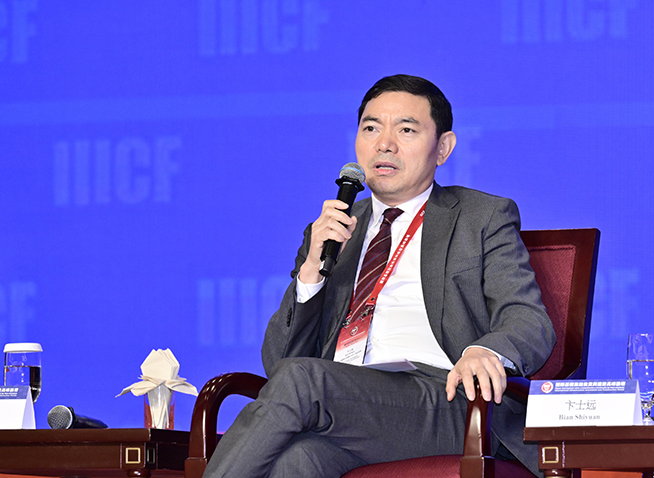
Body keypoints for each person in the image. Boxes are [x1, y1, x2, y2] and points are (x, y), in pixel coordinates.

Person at [203, 74, 556, 478]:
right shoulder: (335, 230)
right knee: (294, 462)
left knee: (301, 381)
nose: (384, 143)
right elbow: (278, 363)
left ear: (443, 148)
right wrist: (311, 273)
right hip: (349, 407)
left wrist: (484, 352)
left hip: (446, 402)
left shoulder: (481, 217)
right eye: (371, 128)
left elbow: (528, 319)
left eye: (406, 130)